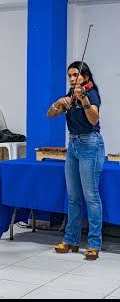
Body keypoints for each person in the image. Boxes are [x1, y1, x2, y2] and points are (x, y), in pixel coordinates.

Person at [46, 61, 104, 261]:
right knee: (73, 197)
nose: (72, 79)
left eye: (76, 75)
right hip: (73, 145)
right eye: (69, 75)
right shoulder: (70, 96)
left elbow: (94, 120)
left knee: (91, 196)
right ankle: (71, 240)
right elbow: (50, 114)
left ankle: (94, 244)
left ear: (85, 77)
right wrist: (59, 104)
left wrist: (84, 100)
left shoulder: (91, 93)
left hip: (90, 144)